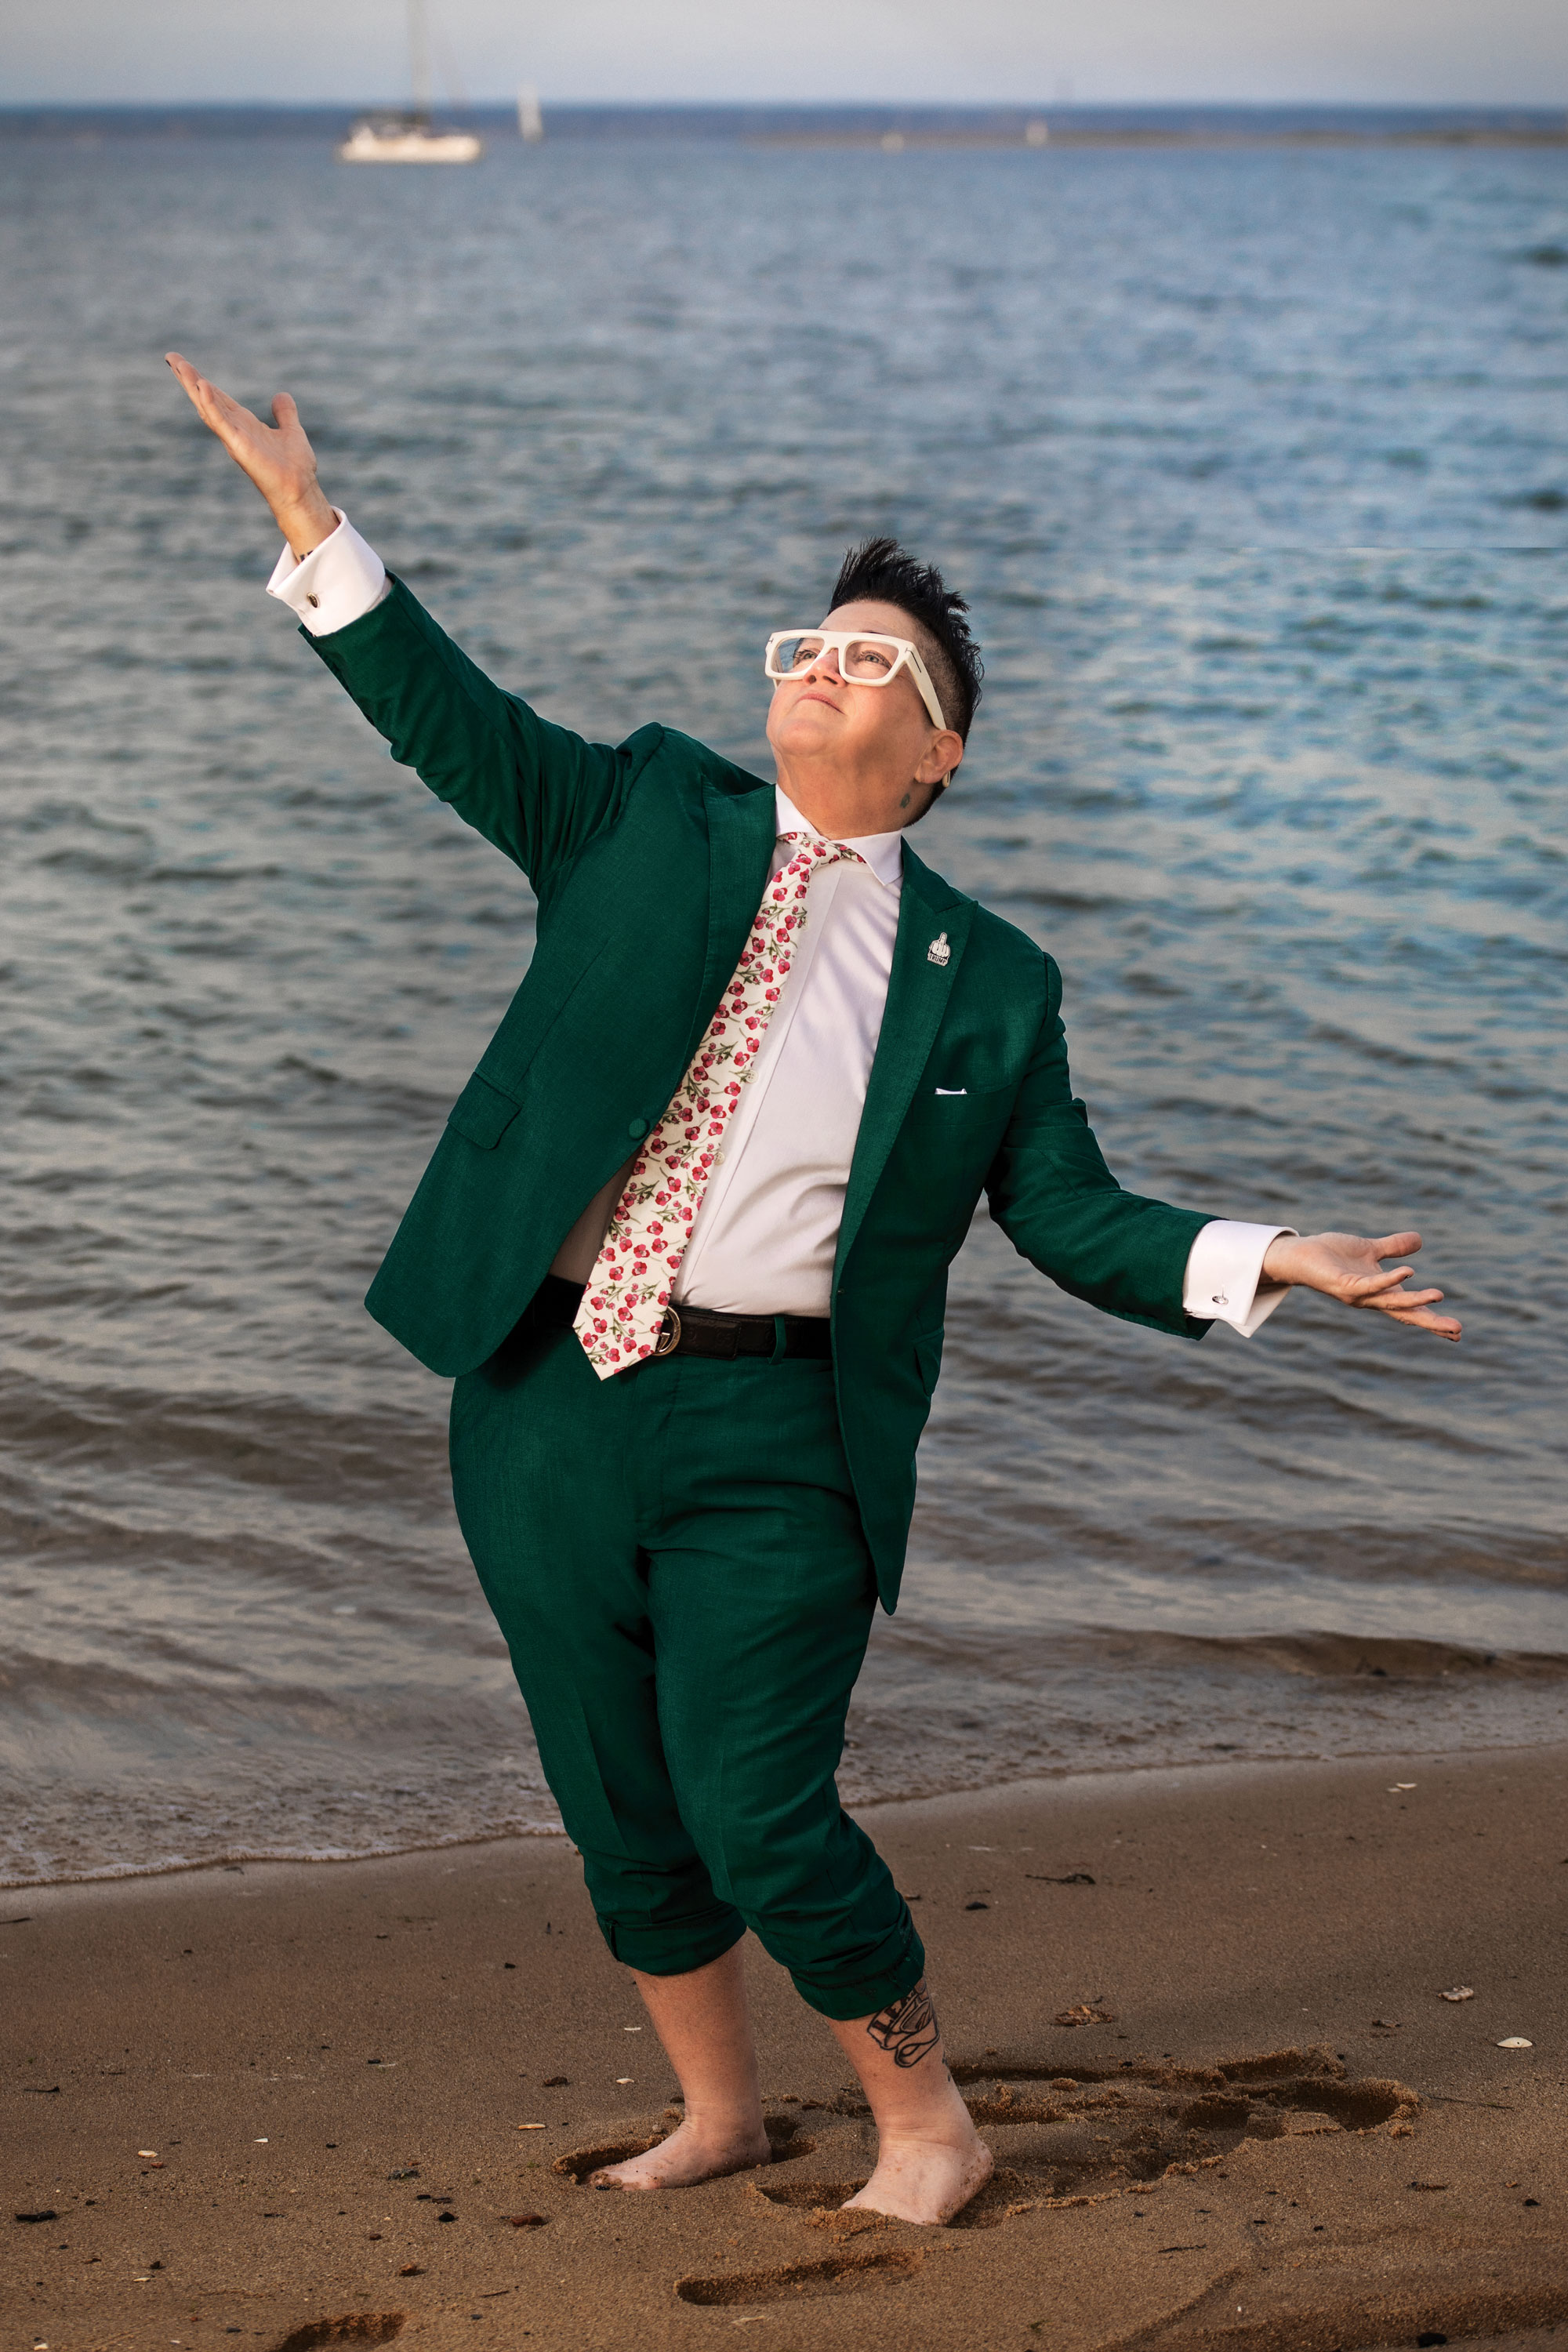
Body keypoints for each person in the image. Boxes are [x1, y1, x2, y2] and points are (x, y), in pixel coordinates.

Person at [164, 354, 1461, 2227]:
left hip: (782, 1433)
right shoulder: (637, 815)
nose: (824, 667)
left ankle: (926, 2119)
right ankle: (721, 2113)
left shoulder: (988, 981)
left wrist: (1267, 1253)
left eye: (877, 665)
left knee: (755, 1802)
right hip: (539, 1391)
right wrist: (311, 523)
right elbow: (445, 719)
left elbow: (1069, 1213)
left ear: (939, 754)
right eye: (811, 642)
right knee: (618, 1795)